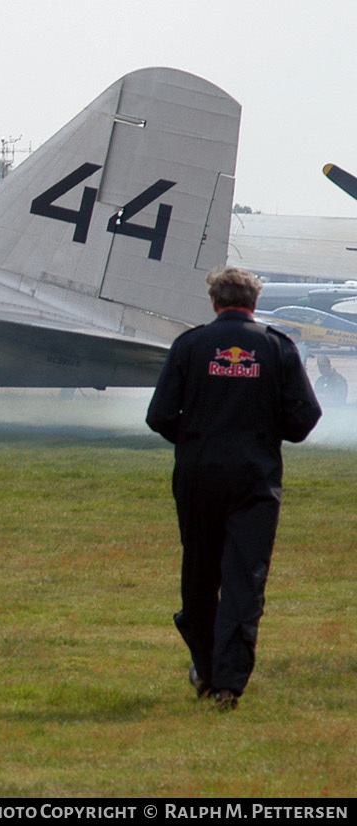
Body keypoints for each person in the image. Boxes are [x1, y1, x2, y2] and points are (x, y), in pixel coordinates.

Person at [146, 266, 320, 711]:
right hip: (254, 478)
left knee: (200, 575)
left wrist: (195, 437)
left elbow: (160, 414)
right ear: (254, 303)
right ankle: (228, 683)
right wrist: (262, 433)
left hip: (199, 474)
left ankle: (204, 667)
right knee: (245, 579)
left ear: (215, 302)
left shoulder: (190, 345)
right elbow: (304, 417)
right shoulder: (278, 348)